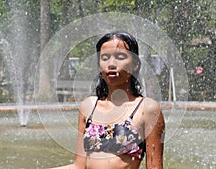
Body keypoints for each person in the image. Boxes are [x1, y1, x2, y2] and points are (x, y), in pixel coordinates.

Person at [52, 31, 165, 169]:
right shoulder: (88, 107)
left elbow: (154, 167)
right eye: (105, 58)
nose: (111, 64)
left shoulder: (147, 109)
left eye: (120, 57)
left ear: (135, 64)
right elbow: (79, 166)